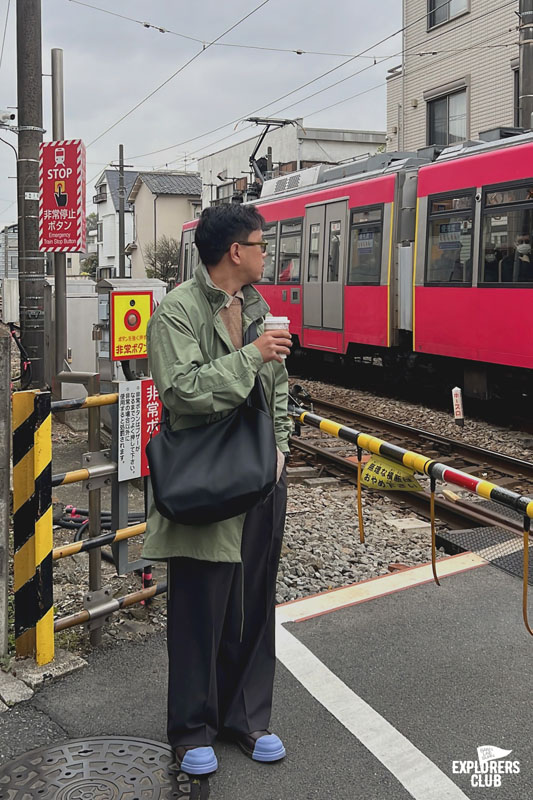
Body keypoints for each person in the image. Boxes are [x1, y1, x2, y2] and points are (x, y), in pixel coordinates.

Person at [143, 204, 292, 777]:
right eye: (260, 244)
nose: (265, 253)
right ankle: (192, 730)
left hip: (260, 474)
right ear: (235, 251)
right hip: (206, 476)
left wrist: (281, 449)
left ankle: (247, 718)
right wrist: (252, 355)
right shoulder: (177, 311)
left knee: (254, 599)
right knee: (200, 606)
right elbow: (182, 392)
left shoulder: (257, 308)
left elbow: (279, 387)